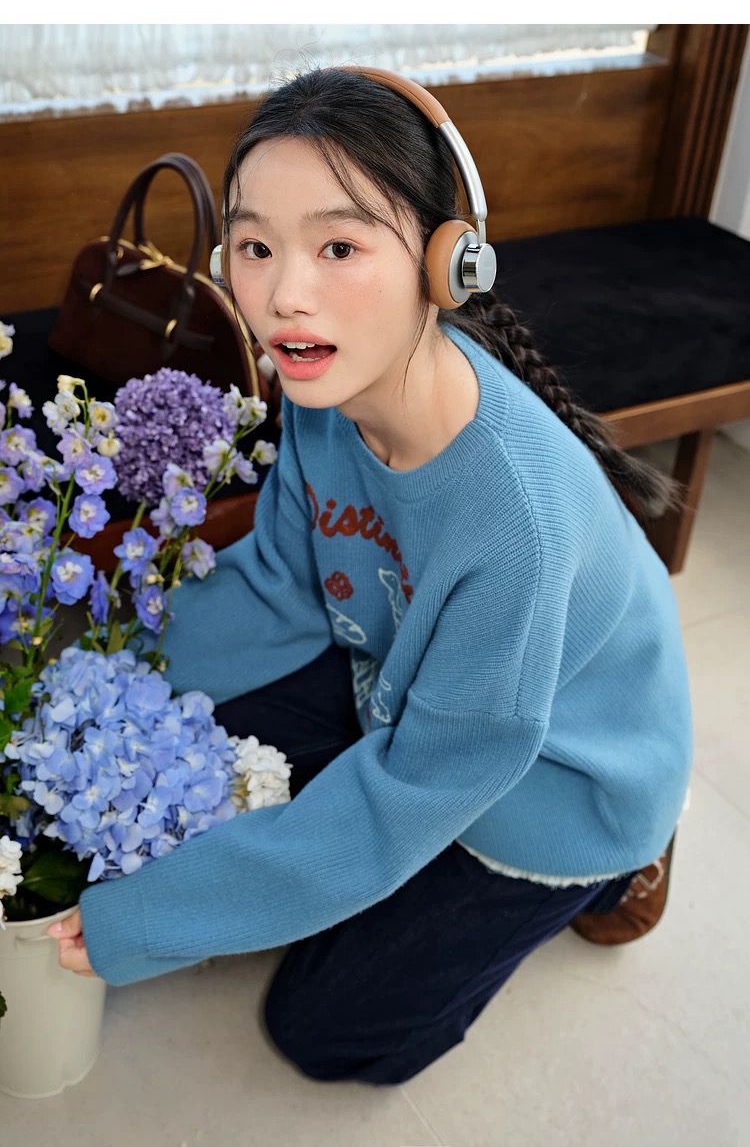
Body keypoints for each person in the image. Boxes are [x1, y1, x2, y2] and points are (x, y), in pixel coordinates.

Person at [48, 67, 693, 1086]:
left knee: (324, 1028)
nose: (285, 295)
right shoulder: (326, 396)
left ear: (445, 264)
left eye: (339, 247)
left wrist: (152, 919)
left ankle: (619, 868)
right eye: (256, 247)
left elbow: (408, 792)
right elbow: (278, 582)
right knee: (184, 751)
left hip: (557, 780)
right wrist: (90, 678)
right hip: (405, 683)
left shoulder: (515, 526)